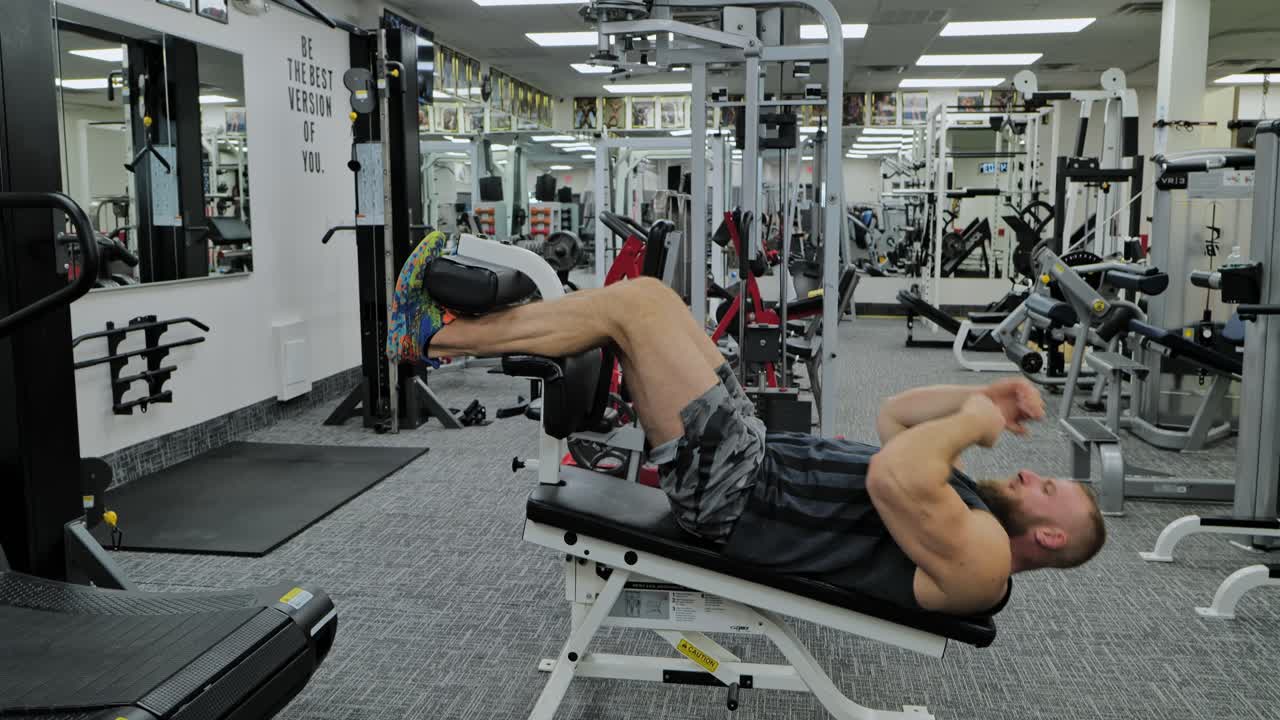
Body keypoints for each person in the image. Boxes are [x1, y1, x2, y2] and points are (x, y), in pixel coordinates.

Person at [386, 234, 1107, 617]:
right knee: (652, 297)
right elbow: (897, 420)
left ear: (1047, 539)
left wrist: (976, 421)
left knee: (632, 308)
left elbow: (896, 471)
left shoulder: (982, 563)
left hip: (737, 497)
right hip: (754, 459)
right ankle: (454, 331)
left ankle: (438, 338)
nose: (1031, 474)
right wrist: (979, 395)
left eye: (1048, 490)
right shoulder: (971, 507)